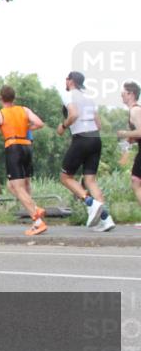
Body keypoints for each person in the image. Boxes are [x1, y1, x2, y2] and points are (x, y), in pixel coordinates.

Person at [57, 71, 114, 232]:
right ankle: (106, 218)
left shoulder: (69, 95)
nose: (65, 81)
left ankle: (90, 203)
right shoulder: (89, 97)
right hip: (95, 138)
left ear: (71, 82)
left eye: (66, 79)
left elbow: (73, 114)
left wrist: (63, 126)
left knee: (65, 177)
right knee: (91, 181)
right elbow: (99, 123)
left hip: (81, 139)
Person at [0, 85, 47, 236]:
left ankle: (37, 220)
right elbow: (39, 123)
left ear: (0, 98)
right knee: (16, 185)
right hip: (27, 146)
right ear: (14, 98)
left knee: (18, 187)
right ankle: (35, 209)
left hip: (13, 147)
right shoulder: (24, 110)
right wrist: (26, 127)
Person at [116, 80, 141, 226]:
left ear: (131, 94)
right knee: (136, 181)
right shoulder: (134, 110)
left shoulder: (135, 110)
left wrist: (125, 132)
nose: (121, 97)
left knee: (136, 181)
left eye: (123, 94)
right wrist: (130, 139)